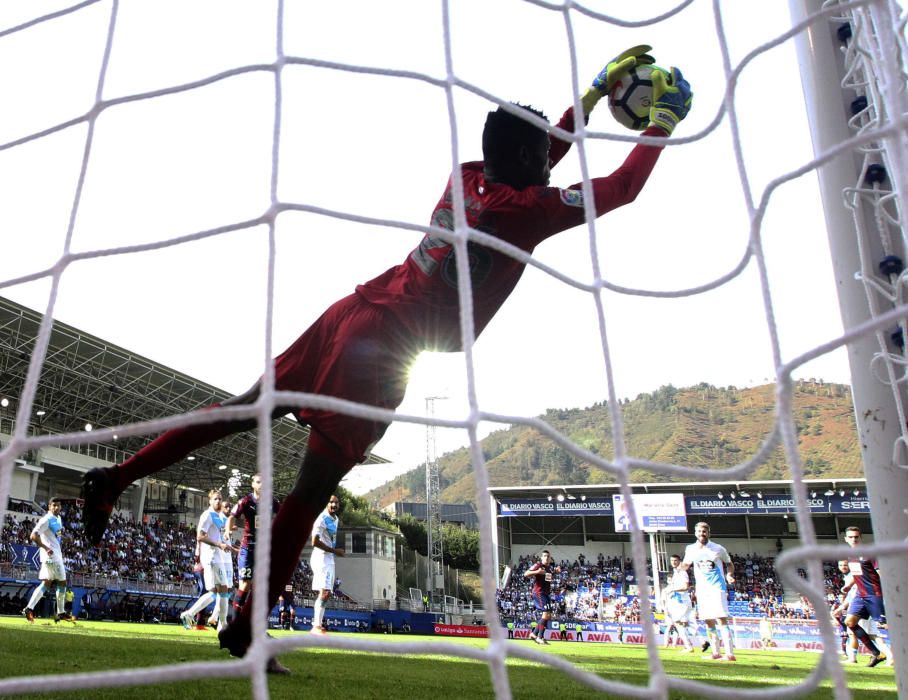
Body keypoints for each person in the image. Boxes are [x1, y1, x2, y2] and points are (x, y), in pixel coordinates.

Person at [79, 45, 692, 659]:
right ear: (526, 160)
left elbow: (539, 149)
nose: (551, 165)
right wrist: (662, 120)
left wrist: (588, 97)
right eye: (542, 157)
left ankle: (116, 477)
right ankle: (246, 623)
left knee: (244, 407)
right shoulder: (524, 210)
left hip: (353, 310)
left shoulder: (469, 175)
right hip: (384, 352)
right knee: (310, 489)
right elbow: (621, 188)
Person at [180, 490, 235, 633]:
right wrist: (218, 544)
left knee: (216, 592)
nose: (218, 501)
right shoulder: (207, 515)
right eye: (215, 499)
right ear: (210, 501)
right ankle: (222, 624)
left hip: (219, 557)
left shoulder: (219, 517)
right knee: (222, 589)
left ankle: (189, 614)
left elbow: (221, 538)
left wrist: (229, 547)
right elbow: (200, 536)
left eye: (220, 499)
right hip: (211, 557)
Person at [226, 473, 281, 616]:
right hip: (248, 549)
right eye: (258, 482)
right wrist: (227, 530)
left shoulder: (272, 501)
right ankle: (236, 624)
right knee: (245, 584)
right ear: (253, 484)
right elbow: (232, 516)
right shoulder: (245, 501)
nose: (262, 485)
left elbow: (283, 515)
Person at [681, 522, 736, 661]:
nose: (702, 534)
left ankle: (729, 654)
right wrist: (678, 568)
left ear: (709, 533)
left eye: (704, 531)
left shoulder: (718, 548)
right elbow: (686, 564)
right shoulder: (690, 549)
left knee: (721, 619)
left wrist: (729, 575)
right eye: (699, 531)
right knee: (708, 621)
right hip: (702, 590)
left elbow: (729, 563)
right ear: (695, 533)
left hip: (717, 588)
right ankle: (716, 653)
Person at [22, 497, 75, 624]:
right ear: (49, 507)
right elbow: (33, 535)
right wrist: (46, 548)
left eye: (58, 505)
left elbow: (58, 534)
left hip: (53, 555)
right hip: (52, 557)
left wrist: (65, 539)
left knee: (46, 583)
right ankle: (61, 612)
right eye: (54, 505)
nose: (56, 507)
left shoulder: (59, 518)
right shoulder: (46, 519)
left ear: (61, 507)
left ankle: (28, 609)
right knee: (62, 582)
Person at [840, 529, 889, 668]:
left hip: (874, 594)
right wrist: (848, 586)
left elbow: (881, 573)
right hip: (860, 595)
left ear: (860, 537)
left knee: (886, 625)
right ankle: (877, 654)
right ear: (846, 539)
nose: (854, 539)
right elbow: (857, 574)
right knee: (849, 622)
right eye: (851, 537)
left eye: (856, 537)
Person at [309, 495, 345, 635]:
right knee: (324, 592)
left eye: (336, 502)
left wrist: (334, 552)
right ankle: (316, 626)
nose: (333, 505)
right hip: (321, 558)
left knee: (327, 593)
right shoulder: (321, 519)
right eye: (331, 502)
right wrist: (334, 550)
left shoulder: (335, 520)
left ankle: (318, 625)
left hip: (329, 559)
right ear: (326, 503)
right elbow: (314, 541)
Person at [207, 498, 237, 629]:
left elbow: (230, 529)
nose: (228, 509)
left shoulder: (226, 519)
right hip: (220, 558)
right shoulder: (218, 518)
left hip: (227, 558)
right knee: (222, 590)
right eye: (226, 507)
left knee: (228, 589)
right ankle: (219, 621)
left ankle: (215, 617)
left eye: (230, 507)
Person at [524, 549, 561, 645]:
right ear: (541, 557)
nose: (546, 558)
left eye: (548, 556)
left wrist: (555, 572)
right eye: (544, 556)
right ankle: (539, 637)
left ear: (550, 559)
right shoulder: (538, 565)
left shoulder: (548, 569)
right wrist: (537, 572)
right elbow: (526, 574)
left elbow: (547, 578)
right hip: (539, 593)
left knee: (548, 615)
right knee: (545, 615)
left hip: (546, 594)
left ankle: (534, 634)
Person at [662, 553, 695, 652]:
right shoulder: (676, 572)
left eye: (675, 560)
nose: (673, 562)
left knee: (678, 623)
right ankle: (690, 645)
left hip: (682, 602)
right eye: (672, 561)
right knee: (681, 624)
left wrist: (673, 589)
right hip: (680, 602)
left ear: (679, 561)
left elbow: (685, 587)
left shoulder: (682, 572)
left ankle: (689, 646)